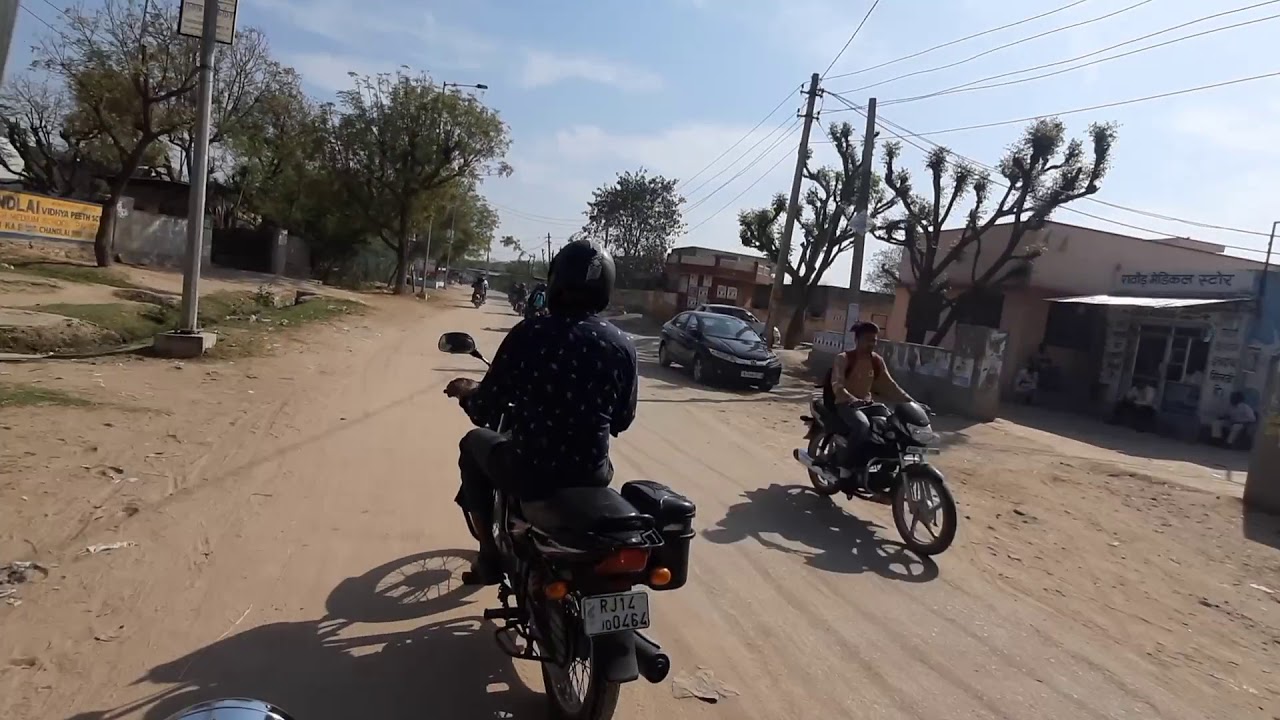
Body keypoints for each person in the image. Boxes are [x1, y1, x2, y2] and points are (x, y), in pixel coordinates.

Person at [444, 240, 638, 584]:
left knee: (472, 442)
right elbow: (622, 420)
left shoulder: (530, 333)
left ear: (556, 282)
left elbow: (485, 409)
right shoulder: (622, 344)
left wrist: (468, 393)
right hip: (592, 474)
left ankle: (489, 555)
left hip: (531, 471)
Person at [822, 322, 914, 487]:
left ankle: (884, 471)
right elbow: (837, 385)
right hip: (845, 404)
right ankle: (846, 468)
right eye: (867, 340)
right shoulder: (843, 359)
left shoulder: (877, 361)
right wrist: (851, 399)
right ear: (857, 340)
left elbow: (890, 385)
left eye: (874, 340)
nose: (871, 344)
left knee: (893, 425)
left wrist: (911, 401)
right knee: (862, 425)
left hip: (868, 404)